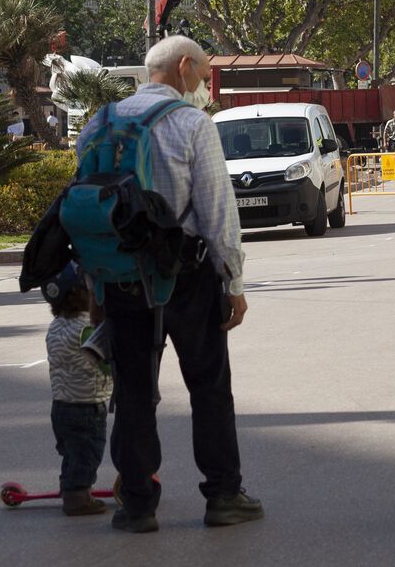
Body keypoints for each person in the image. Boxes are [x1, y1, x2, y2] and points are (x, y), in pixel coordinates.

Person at [83, 34, 262, 533]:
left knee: (134, 391)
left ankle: (137, 503)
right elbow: (217, 212)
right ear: (184, 68)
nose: (203, 86)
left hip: (119, 276)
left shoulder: (100, 122)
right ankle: (224, 495)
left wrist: (97, 287)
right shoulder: (191, 124)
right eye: (203, 76)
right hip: (184, 274)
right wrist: (234, 282)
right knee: (208, 386)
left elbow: (89, 207)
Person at [44, 262, 112, 516]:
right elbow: (103, 363)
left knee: (71, 451)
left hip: (60, 405)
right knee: (87, 452)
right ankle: (77, 495)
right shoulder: (89, 328)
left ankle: (68, 484)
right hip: (87, 404)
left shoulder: (56, 327)